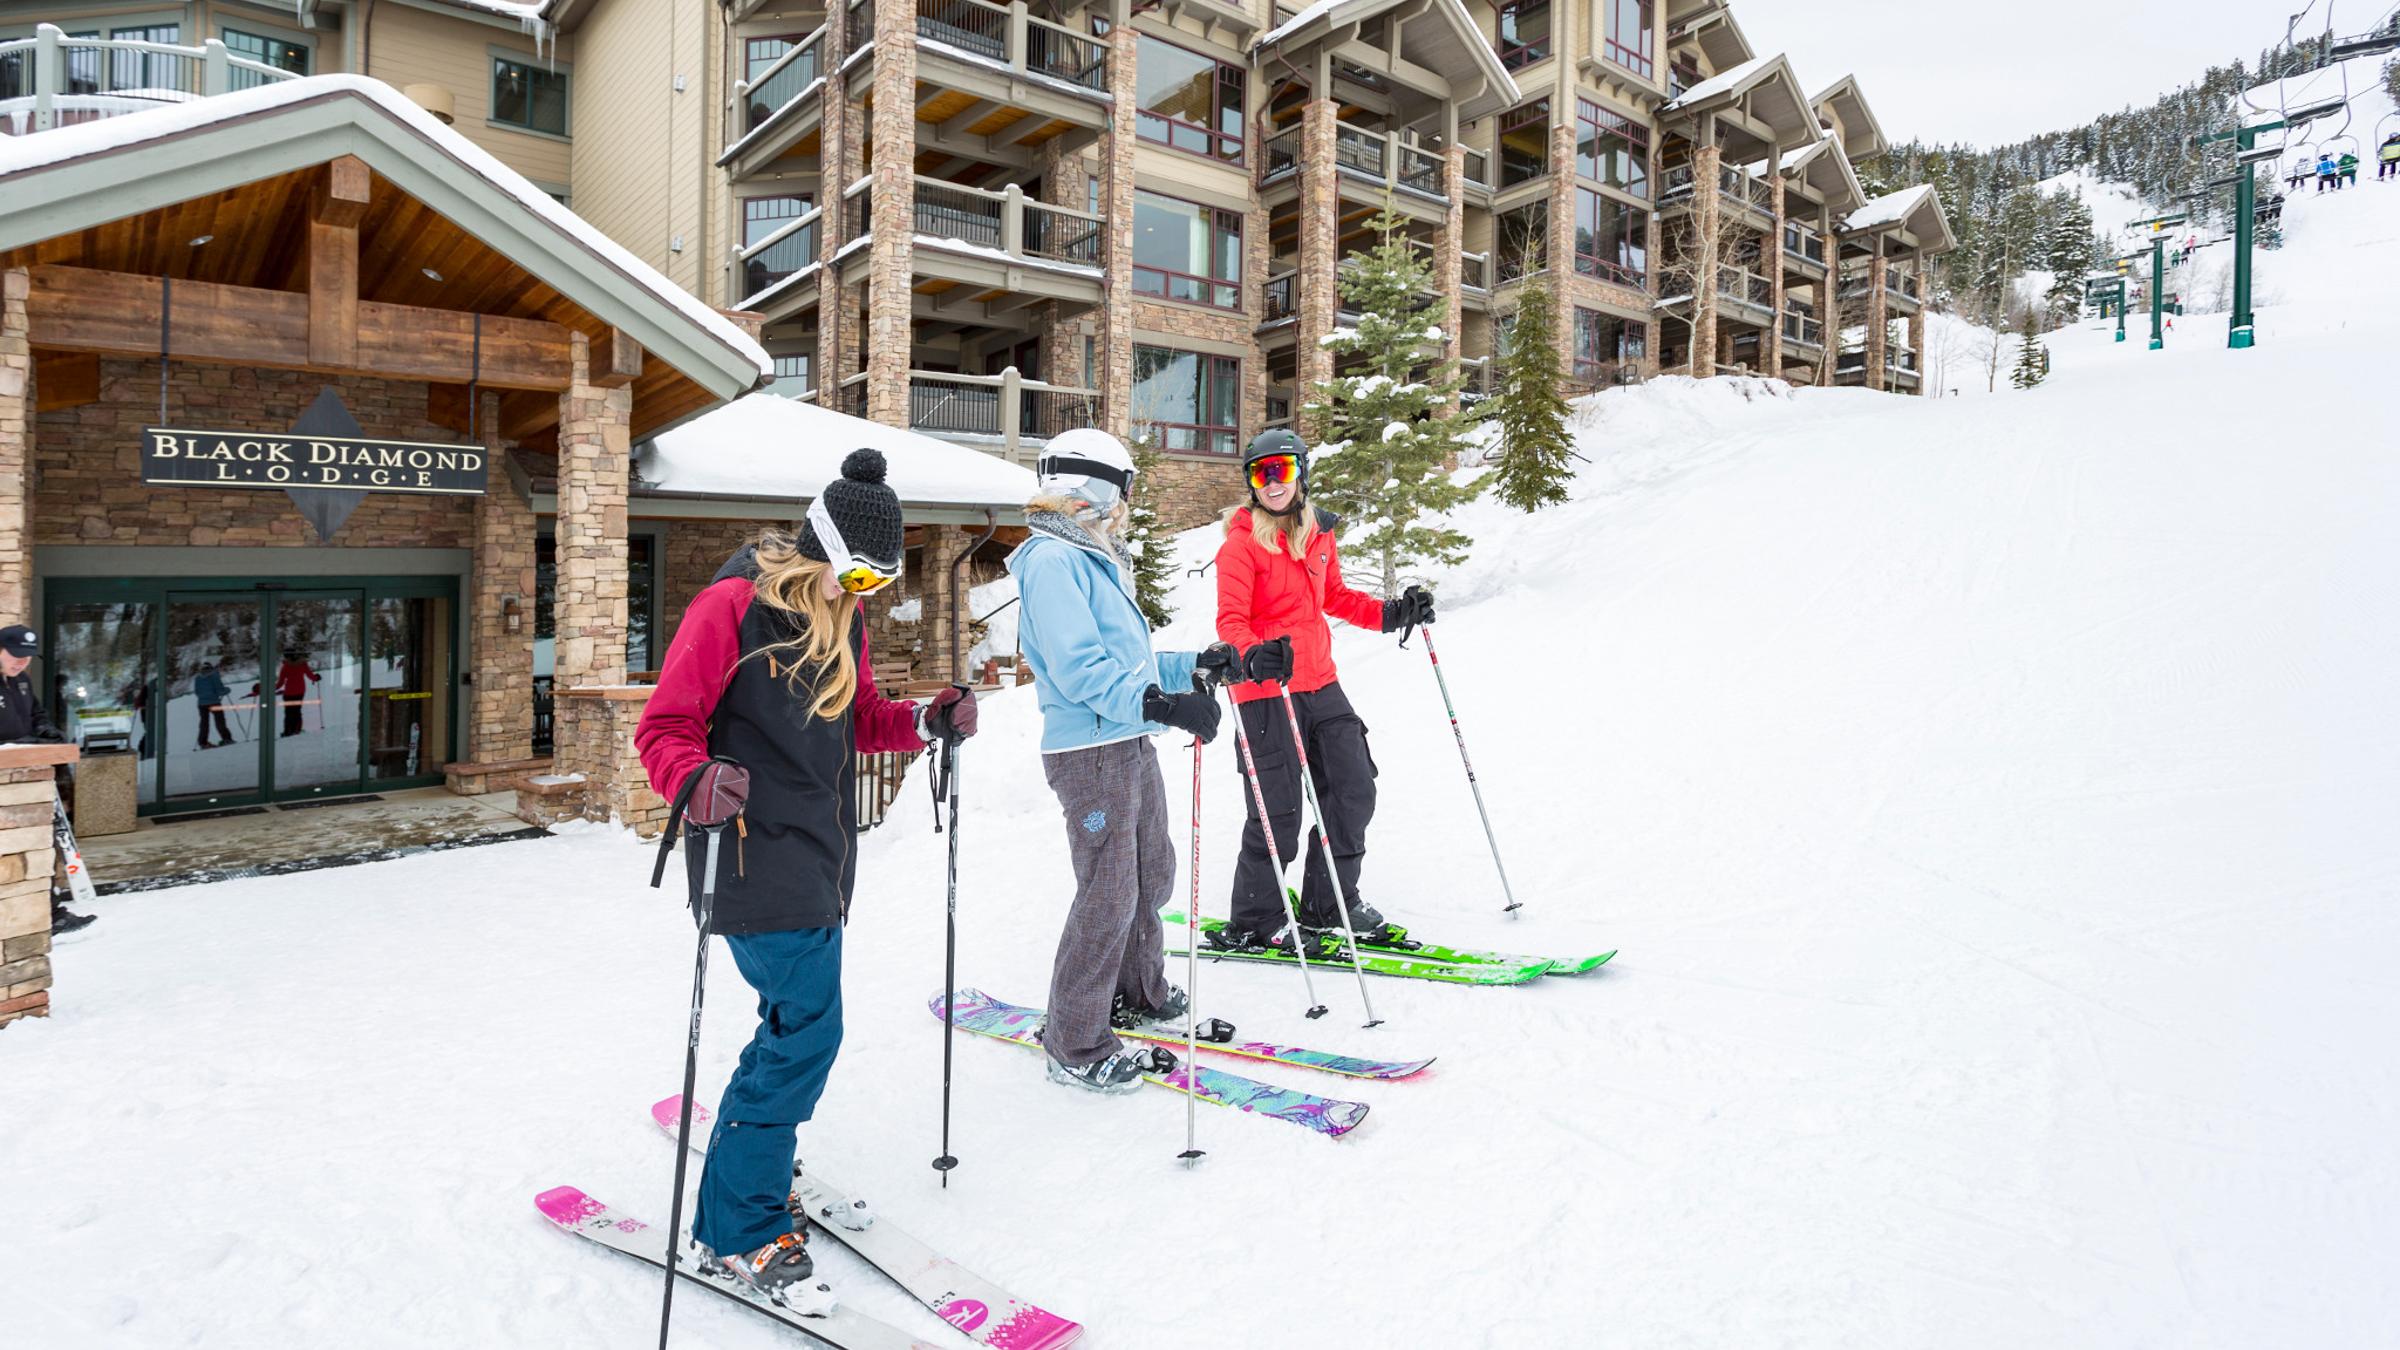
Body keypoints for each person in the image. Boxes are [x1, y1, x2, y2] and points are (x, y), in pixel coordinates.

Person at [633, 448, 978, 1301]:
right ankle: (738, 1226)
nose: (862, 592)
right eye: (854, 574)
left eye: (877, 581)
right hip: (746, 851)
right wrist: (694, 778)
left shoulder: (841, 617)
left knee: (793, 1025)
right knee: (805, 1032)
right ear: (818, 548)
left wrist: (924, 722)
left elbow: (858, 718)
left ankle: (753, 1172)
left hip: (818, 854)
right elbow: (665, 726)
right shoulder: (729, 608)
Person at [1006, 428, 1235, 1094]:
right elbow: (1081, 672)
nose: (1130, 503)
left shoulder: (1091, 557)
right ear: (1097, 487)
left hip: (1126, 737)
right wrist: (1161, 705)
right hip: (1091, 751)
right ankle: (1074, 1041)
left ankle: (1138, 991)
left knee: (1151, 872)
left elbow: (1127, 664)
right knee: (1107, 893)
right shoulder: (1053, 561)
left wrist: (1193, 667)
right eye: (1127, 489)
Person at [1207, 429, 1434, 953]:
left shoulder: (1317, 534)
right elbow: (1231, 621)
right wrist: (1252, 655)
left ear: (1301, 473)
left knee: (1354, 789)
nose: (1272, 482)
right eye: (1261, 473)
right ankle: (1256, 919)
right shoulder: (1239, 546)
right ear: (1251, 483)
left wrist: (1393, 613)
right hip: (1265, 691)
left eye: (1281, 470)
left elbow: (1334, 597)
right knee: (1278, 812)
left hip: (1321, 681)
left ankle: (1329, 902)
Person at [0, 624, 95, 934]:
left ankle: (49, 911)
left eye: (26, 657)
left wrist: (44, 731)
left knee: (41, 845)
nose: (21, 663)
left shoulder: (22, 682)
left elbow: (36, 715)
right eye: (15, 656)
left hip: (30, 781)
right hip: (5, 782)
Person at [252, 655, 320, 737]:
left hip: (289, 693)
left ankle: (288, 731)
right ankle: (297, 730)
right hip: (300, 692)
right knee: (297, 711)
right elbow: (310, 676)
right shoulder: (303, 665)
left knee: (289, 713)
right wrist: (316, 678)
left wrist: (266, 689)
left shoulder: (285, 667)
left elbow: (280, 684)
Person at [193, 663, 233, 749]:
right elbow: (220, 690)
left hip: (202, 704)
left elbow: (196, 692)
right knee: (220, 721)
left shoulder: (197, 678)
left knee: (204, 723)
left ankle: (203, 742)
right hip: (214, 702)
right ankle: (226, 739)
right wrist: (227, 690)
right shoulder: (214, 676)